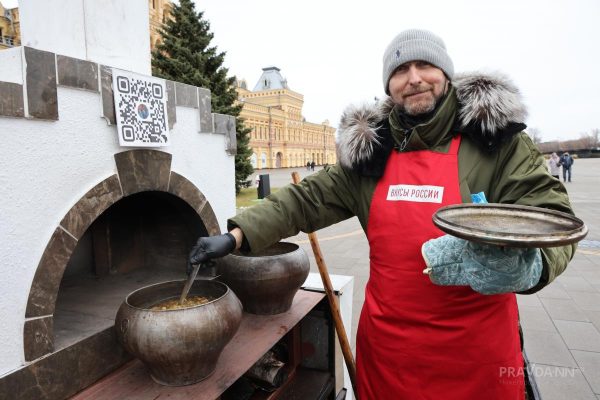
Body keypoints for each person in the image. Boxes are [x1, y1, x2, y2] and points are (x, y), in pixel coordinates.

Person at [188, 29, 575, 399]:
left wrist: (531, 266)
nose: (414, 78)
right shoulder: (372, 152)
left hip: (476, 358)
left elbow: (551, 213)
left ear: (445, 73)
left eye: (425, 66)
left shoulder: (495, 141)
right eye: (400, 71)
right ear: (388, 85)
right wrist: (237, 235)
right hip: (391, 356)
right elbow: (306, 199)